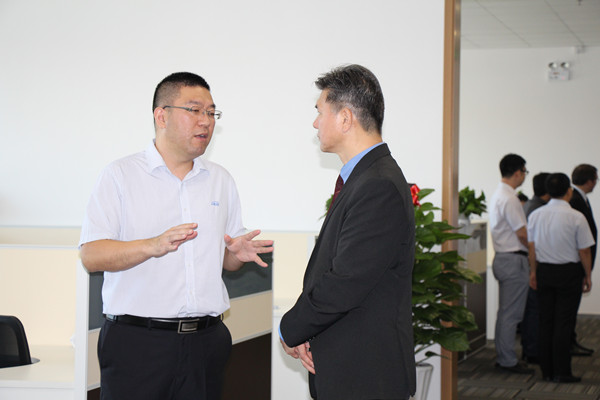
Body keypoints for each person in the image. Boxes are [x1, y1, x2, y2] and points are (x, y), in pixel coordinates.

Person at [79, 72, 273, 400]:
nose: (206, 121)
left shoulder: (220, 180)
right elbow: (91, 255)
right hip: (138, 343)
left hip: (206, 342)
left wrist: (234, 255)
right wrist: (152, 245)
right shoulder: (120, 175)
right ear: (161, 116)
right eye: (194, 110)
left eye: (211, 112)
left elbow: (225, 262)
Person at [279, 64, 416, 399]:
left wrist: (290, 327)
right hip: (352, 367)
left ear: (344, 118)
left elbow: (345, 281)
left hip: (366, 375)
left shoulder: (377, 185)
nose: (315, 123)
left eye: (319, 112)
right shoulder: (366, 177)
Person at [527, 173, 594, 383]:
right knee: (564, 323)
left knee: (545, 321)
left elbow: (531, 248)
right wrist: (588, 275)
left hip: (544, 271)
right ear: (569, 191)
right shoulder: (576, 217)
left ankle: (546, 371)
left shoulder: (536, 215)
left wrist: (533, 272)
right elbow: (584, 250)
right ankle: (562, 371)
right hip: (569, 273)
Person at [489, 153, 534, 374]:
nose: (524, 176)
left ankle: (504, 357)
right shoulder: (510, 198)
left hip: (504, 258)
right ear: (517, 173)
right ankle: (507, 360)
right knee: (511, 315)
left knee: (506, 313)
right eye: (524, 172)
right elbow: (522, 234)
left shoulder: (499, 194)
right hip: (513, 259)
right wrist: (534, 252)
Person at [520, 172, 551, 364]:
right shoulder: (538, 209)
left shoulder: (531, 205)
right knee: (534, 310)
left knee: (532, 309)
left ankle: (531, 348)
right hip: (534, 264)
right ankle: (532, 350)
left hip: (530, 263)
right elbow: (533, 243)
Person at [569, 163, 598, 356]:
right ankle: (569, 343)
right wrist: (586, 271)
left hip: (578, 263)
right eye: (595, 179)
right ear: (589, 181)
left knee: (572, 308)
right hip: (575, 263)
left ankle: (571, 341)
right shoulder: (575, 200)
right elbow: (581, 241)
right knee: (569, 309)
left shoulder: (580, 198)